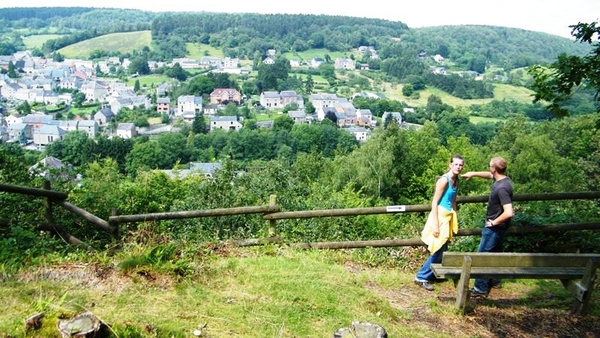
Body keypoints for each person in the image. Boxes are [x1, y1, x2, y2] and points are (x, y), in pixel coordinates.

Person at [461, 156, 514, 298]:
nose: (489, 168)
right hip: (501, 227)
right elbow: (489, 175)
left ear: (494, 168)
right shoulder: (503, 179)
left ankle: (480, 288)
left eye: (490, 166)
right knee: (495, 253)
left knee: (482, 256)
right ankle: (495, 280)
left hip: (494, 228)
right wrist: (473, 173)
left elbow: (509, 212)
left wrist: (494, 222)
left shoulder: (502, 188)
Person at [414, 154, 464, 291]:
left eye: (461, 165)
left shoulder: (456, 181)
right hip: (439, 216)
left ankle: (433, 274)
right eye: (456, 164)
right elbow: (434, 202)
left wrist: (455, 216)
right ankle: (421, 276)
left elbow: (453, 200)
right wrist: (436, 224)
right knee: (437, 247)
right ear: (450, 165)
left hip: (447, 216)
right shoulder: (444, 180)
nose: (458, 167)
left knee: (443, 248)